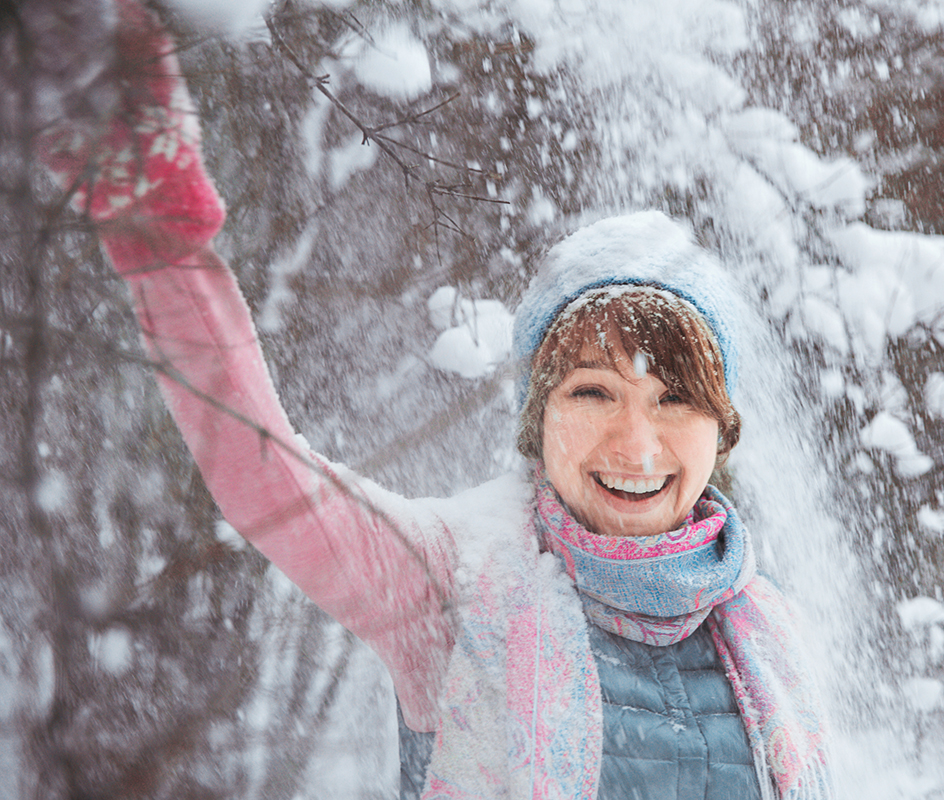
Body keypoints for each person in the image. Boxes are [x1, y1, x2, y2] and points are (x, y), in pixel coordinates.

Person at [36, 2, 833, 798]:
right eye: (593, 392)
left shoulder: (764, 631)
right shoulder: (450, 583)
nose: (636, 443)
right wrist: (166, 248)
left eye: (674, 402)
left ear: (719, 429)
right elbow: (262, 474)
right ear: (537, 415)